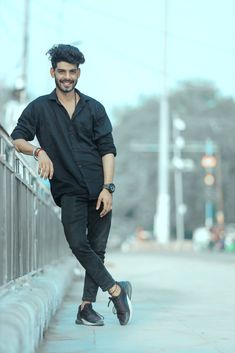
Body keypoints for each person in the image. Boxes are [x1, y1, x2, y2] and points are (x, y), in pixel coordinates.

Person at [10, 44, 132, 326]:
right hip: (69, 190)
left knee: (97, 250)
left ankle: (86, 308)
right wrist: (39, 152)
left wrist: (108, 188)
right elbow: (17, 139)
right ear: (53, 72)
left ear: (79, 73)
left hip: (99, 187)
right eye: (62, 71)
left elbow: (108, 150)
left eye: (72, 72)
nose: (67, 77)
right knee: (79, 243)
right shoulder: (39, 107)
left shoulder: (94, 108)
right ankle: (116, 291)